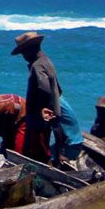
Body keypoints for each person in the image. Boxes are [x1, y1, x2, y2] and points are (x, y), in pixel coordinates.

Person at [12, 32, 63, 161]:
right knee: (43, 148)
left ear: (29, 49)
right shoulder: (46, 60)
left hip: (39, 119)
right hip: (48, 115)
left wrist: (41, 109)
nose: (23, 56)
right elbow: (58, 89)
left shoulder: (37, 65)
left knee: (39, 152)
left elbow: (44, 88)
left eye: (23, 52)